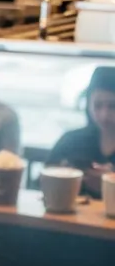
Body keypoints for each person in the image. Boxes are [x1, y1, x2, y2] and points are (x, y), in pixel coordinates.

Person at [47, 66, 115, 198]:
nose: (104, 115)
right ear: (88, 104)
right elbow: (42, 182)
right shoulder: (71, 141)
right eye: (97, 105)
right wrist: (64, 176)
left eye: (113, 106)